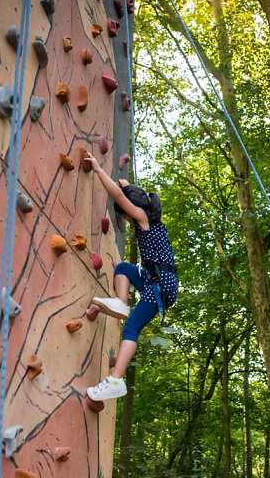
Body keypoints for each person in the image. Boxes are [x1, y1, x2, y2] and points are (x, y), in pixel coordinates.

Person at [84, 152, 178, 401]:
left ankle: (116, 381)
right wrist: (126, 185)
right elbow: (127, 193)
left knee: (132, 328)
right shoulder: (151, 214)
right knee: (124, 269)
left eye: (125, 214)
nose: (126, 218)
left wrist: (98, 169)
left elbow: (118, 197)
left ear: (130, 212)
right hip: (155, 280)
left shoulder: (142, 218)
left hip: (159, 288)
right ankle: (121, 303)